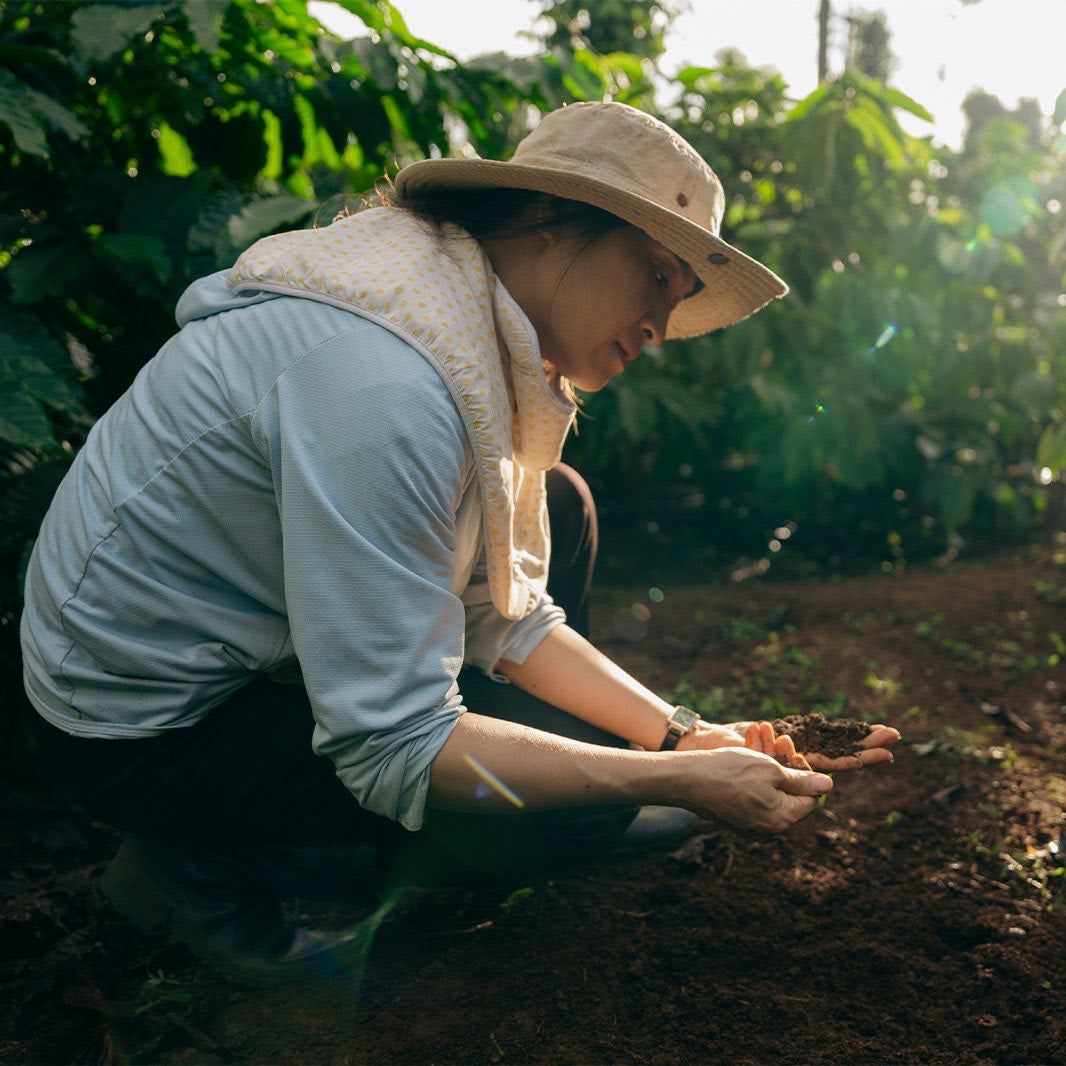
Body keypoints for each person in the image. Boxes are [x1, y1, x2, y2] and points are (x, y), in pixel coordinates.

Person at [20, 102, 900, 984]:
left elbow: (502, 615)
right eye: (658, 276)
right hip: (150, 729)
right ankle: (206, 871)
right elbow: (395, 743)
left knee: (562, 505)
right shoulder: (383, 386)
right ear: (556, 223)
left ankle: (502, 820)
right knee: (542, 811)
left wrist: (686, 738)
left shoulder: (439, 322)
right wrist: (664, 784)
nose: (662, 326)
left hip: (245, 656)